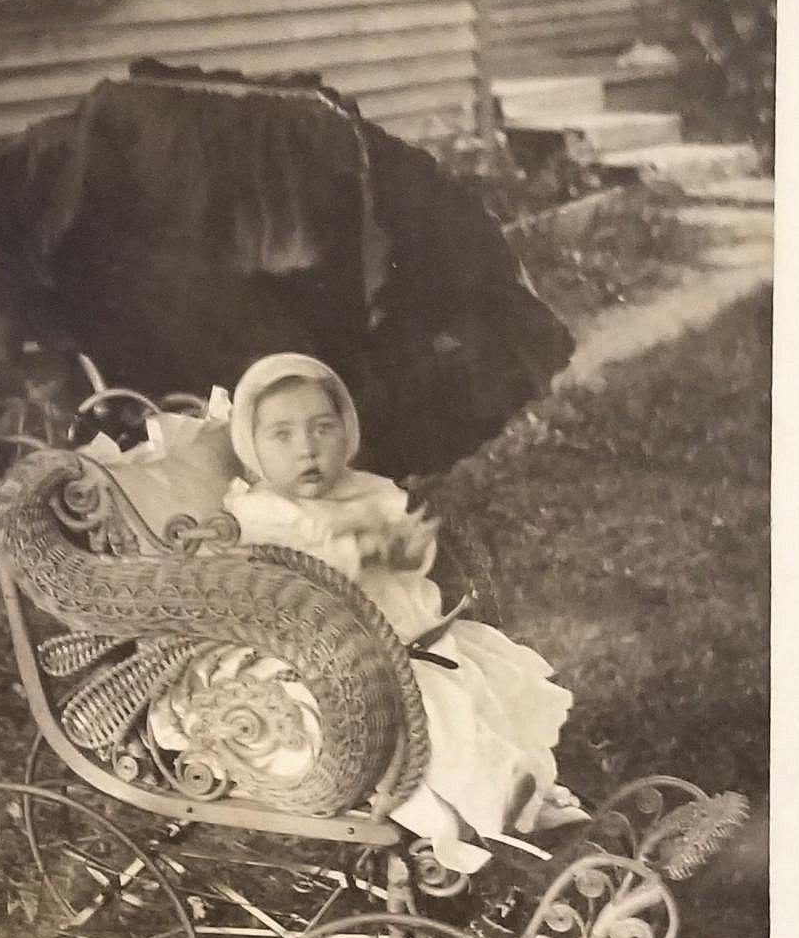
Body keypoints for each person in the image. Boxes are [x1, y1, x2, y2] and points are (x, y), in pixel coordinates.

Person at [225, 352, 582, 875]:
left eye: (323, 428)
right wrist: (356, 552)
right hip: (339, 658)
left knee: (484, 690)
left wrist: (409, 548)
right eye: (282, 436)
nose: (308, 448)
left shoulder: (367, 490)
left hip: (413, 639)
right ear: (250, 447)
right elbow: (289, 585)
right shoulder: (260, 515)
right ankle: (500, 809)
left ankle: (532, 786)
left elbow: (410, 558)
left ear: (346, 429)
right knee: (440, 722)